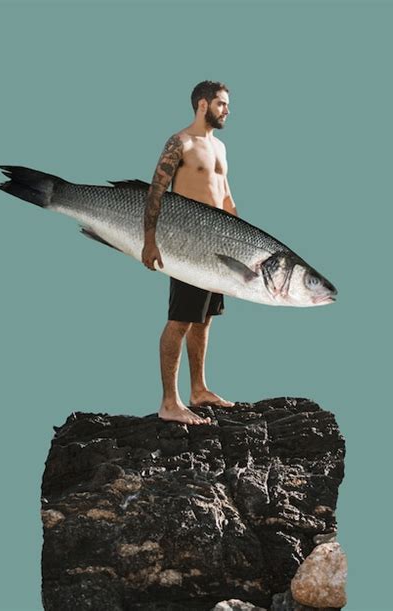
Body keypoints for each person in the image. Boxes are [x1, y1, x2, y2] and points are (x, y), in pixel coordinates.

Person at [141, 81, 238, 426]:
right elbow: (155, 191)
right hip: (189, 243)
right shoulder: (179, 142)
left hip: (220, 246)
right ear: (202, 104)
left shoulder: (220, 147)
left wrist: (239, 245)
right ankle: (169, 402)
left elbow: (225, 198)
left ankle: (199, 389)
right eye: (222, 104)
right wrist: (149, 240)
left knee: (205, 318)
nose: (227, 110)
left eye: (227, 105)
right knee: (181, 319)